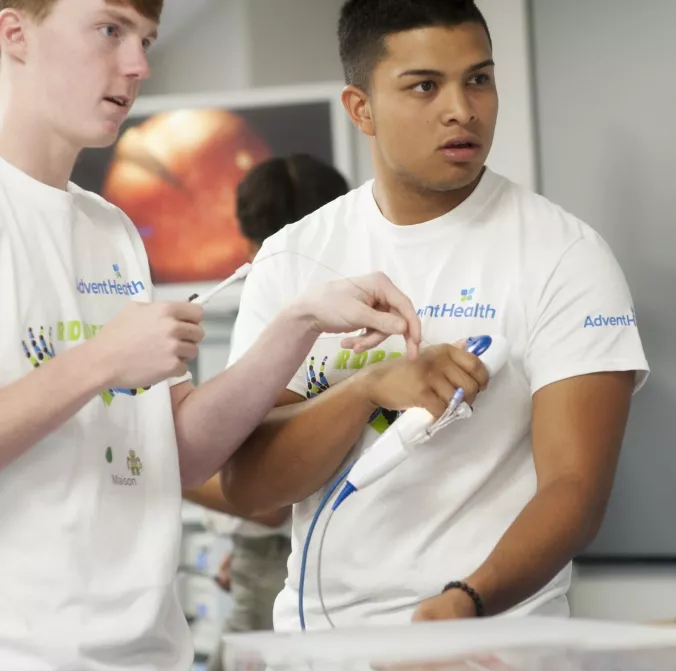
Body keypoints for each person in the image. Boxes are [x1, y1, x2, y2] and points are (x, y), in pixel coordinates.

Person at [0, 1, 420, 671]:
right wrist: (100, 361)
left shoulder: (113, 231)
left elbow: (181, 449)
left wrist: (298, 322)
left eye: (147, 40)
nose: (138, 66)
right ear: (14, 32)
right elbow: (100, 374)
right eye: (110, 30)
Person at [222, 0, 650, 633]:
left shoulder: (564, 255)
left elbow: (575, 489)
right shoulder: (294, 257)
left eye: (478, 78)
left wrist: (465, 602)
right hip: (321, 656)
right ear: (360, 108)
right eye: (425, 85)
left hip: (495, 646)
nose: (463, 109)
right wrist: (367, 389)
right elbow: (250, 487)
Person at [186, 154, 350, 671]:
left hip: (285, 566)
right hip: (273, 557)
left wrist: (164, 472)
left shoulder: (310, 331)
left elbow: (267, 496)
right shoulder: (350, 318)